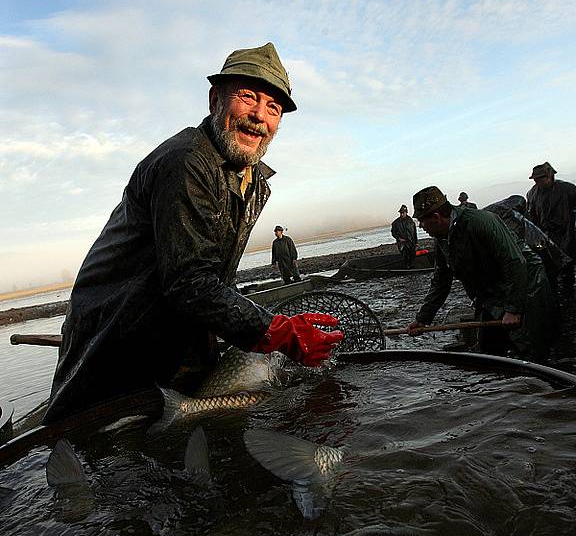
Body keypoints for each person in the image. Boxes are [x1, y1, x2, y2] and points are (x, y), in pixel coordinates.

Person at [44, 42, 343, 423]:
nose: (259, 116)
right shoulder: (186, 162)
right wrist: (276, 330)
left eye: (273, 108)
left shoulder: (252, 180)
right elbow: (190, 282)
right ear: (215, 100)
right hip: (121, 336)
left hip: (177, 333)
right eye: (248, 97)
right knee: (107, 452)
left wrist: (256, 324)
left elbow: (214, 278)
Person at [407, 186, 555, 363]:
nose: (421, 227)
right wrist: (423, 319)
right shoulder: (441, 239)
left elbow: (515, 262)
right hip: (490, 292)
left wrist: (514, 309)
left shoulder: (480, 222)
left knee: (530, 350)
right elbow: (441, 281)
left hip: (526, 285)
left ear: (437, 217)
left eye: (422, 222)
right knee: (490, 352)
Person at [526, 162, 576, 299]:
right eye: (535, 179)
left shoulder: (568, 189)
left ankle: (569, 296)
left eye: (540, 178)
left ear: (550, 176)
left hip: (566, 235)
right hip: (544, 237)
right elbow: (532, 217)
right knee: (549, 270)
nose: (537, 182)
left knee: (567, 268)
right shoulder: (531, 194)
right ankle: (553, 298)